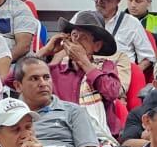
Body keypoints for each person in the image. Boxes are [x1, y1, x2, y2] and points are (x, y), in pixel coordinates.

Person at [42, 10, 127, 138]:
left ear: (96, 46)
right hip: (64, 135)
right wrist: (45, 51)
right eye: (74, 35)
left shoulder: (105, 67)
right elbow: (14, 79)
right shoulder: (56, 71)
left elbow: (113, 92)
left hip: (100, 137)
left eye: (84, 38)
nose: (76, 41)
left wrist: (83, 61)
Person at [84, 0, 156, 68]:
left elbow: (147, 58)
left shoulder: (131, 23)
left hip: (120, 77)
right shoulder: (82, 18)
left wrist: (132, 75)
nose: (99, 1)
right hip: (85, 75)